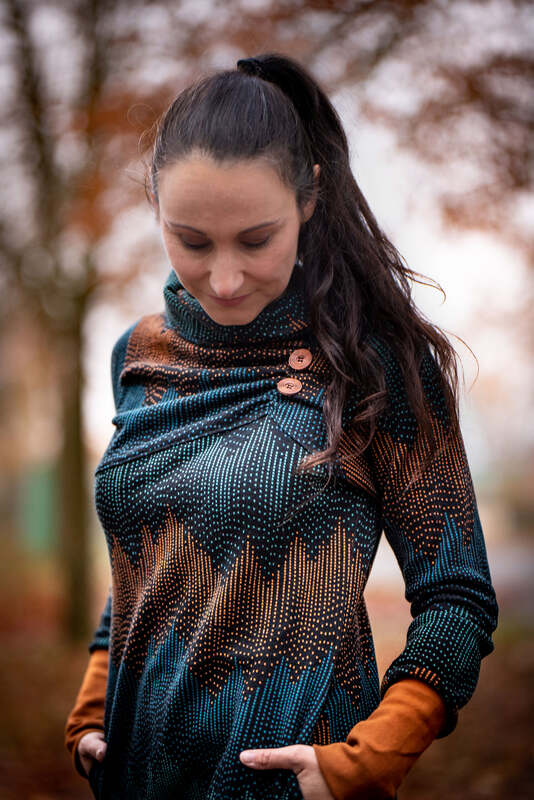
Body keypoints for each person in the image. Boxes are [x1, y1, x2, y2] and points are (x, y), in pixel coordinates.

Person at [64, 52, 499, 800]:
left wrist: (368, 760)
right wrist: (93, 705)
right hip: (138, 778)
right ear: (156, 207)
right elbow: (146, 561)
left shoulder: (374, 363)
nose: (225, 277)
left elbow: (457, 596)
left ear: (308, 199)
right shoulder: (136, 355)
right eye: (191, 240)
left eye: (256, 239)